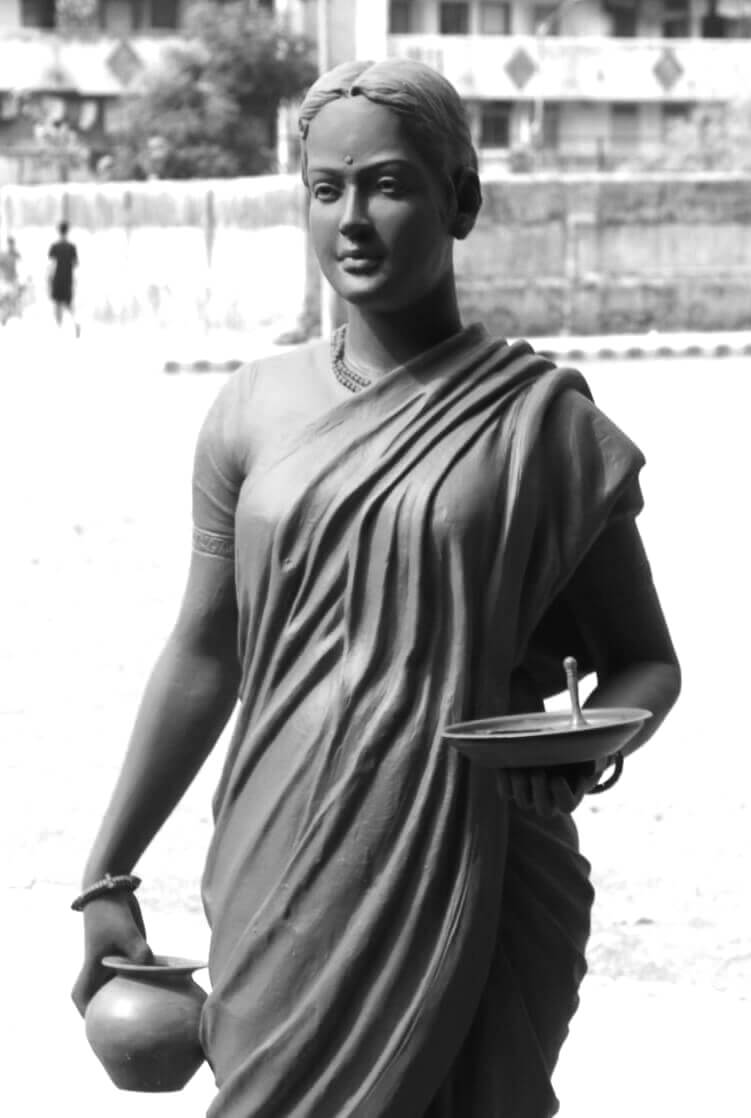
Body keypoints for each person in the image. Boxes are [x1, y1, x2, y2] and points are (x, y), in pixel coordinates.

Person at [71, 59, 681, 1117]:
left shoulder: (541, 427)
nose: (351, 219)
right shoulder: (251, 408)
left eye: (388, 185)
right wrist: (107, 873)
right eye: (327, 189)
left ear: (462, 200)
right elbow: (206, 652)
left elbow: (647, 662)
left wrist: (580, 750)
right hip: (282, 859)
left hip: (477, 857)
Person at [47, 220, 80, 335]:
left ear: (59, 231)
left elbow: (51, 265)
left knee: (57, 304)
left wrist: (49, 281)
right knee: (69, 304)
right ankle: (76, 322)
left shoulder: (54, 247)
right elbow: (76, 264)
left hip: (57, 279)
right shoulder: (72, 247)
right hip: (68, 279)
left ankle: (59, 328)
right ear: (67, 231)